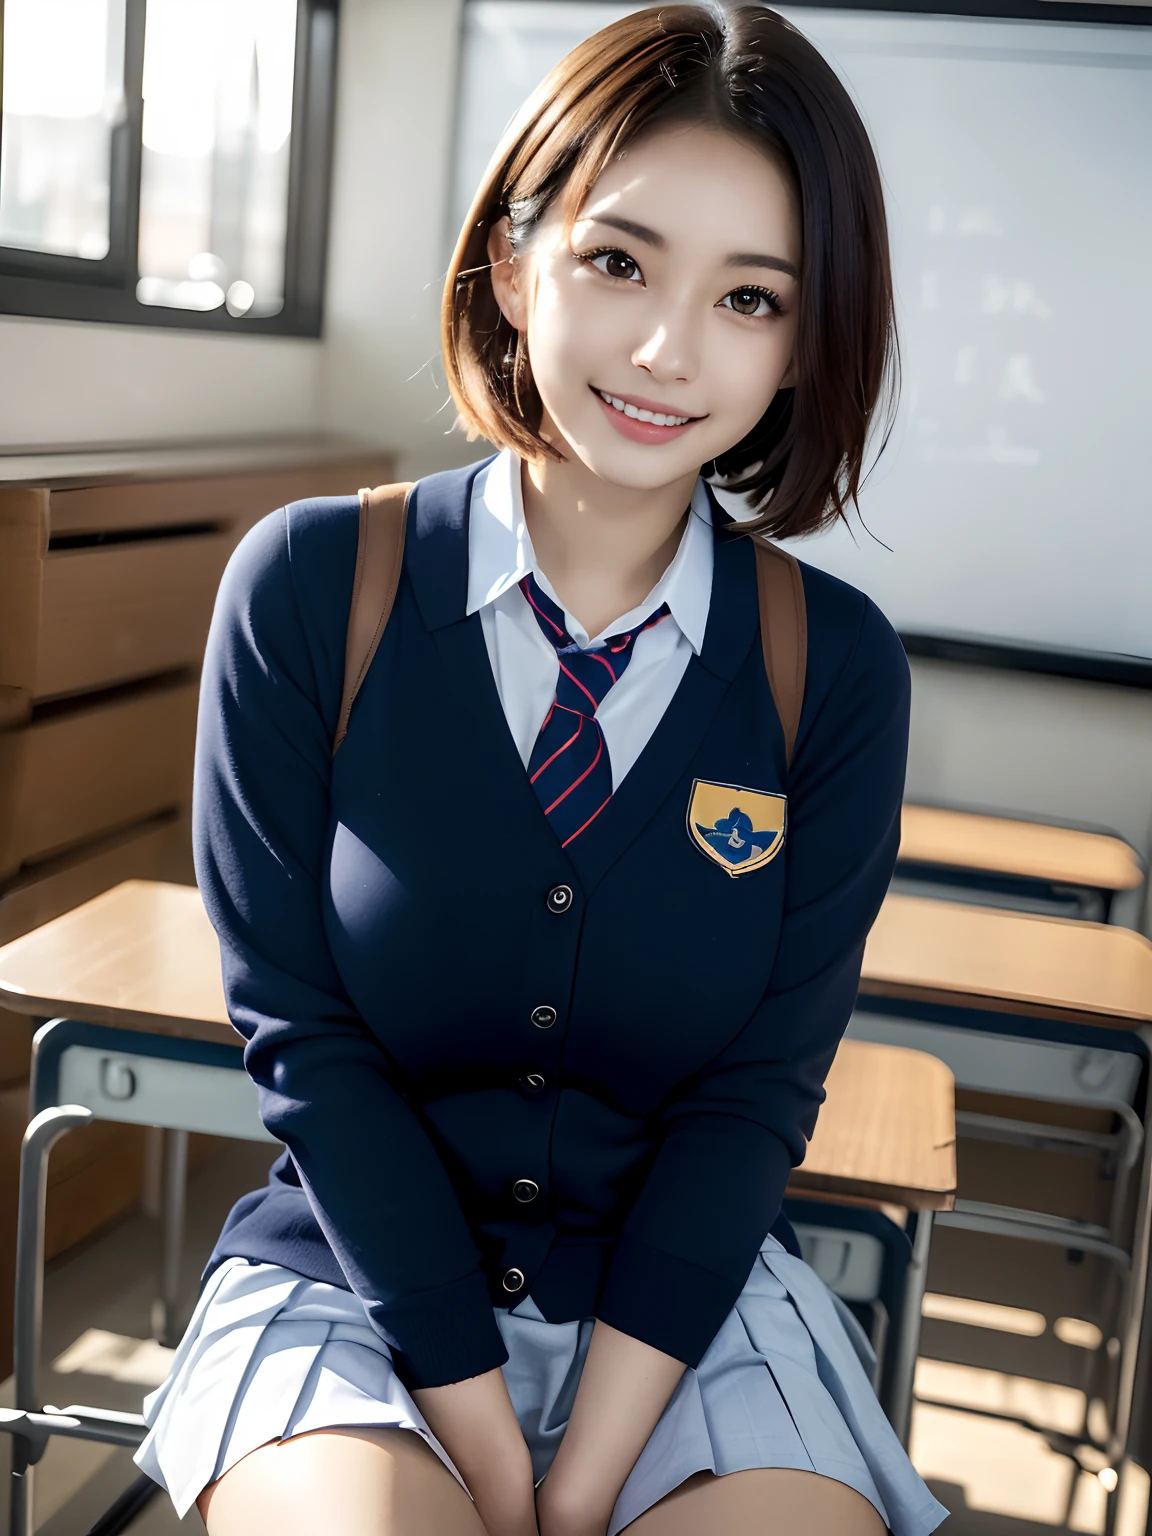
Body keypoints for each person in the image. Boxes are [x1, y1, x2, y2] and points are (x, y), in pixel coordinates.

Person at [135, 4, 948, 1532]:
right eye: (619, 260)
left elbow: (752, 1104)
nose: (666, 348)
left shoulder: (830, 669)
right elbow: (305, 1045)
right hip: (353, 1292)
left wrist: (579, 1486)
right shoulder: (313, 588)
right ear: (515, 265)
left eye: (751, 297)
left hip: (684, 1321)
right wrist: (496, 1464)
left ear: (806, 339)